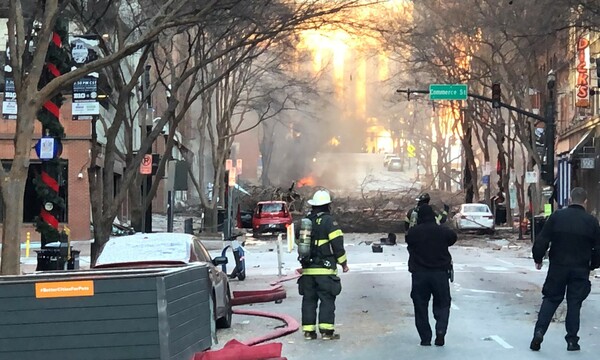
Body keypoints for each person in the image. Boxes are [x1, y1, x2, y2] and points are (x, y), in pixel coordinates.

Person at [530, 187, 600, 352]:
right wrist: (593, 265)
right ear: (585, 202)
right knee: (574, 303)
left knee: (551, 299)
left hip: (558, 266)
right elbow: (598, 248)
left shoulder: (557, 217)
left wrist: (538, 258)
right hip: (580, 268)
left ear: (569, 199)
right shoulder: (591, 222)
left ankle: (539, 332)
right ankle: (572, 340)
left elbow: (542, 239)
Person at [297, 189, 349, 340]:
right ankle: (326, 332)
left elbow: (298, 241)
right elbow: (337, 245)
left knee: (309, 300)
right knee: (327, 299)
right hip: (325, 270)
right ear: (327, 205)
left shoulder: (306, 221)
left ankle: (308, 332)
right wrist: (343, 263)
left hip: (307, 270)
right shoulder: (329, 221)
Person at [405, 204, 457, 346]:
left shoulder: (414, 233)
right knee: (443, 304)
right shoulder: (443, 231)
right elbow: (453, 237)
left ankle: (425, 337)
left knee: (420, 306)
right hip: (440, 274)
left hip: (419, 275)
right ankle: (440, 330)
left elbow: (408, 240)